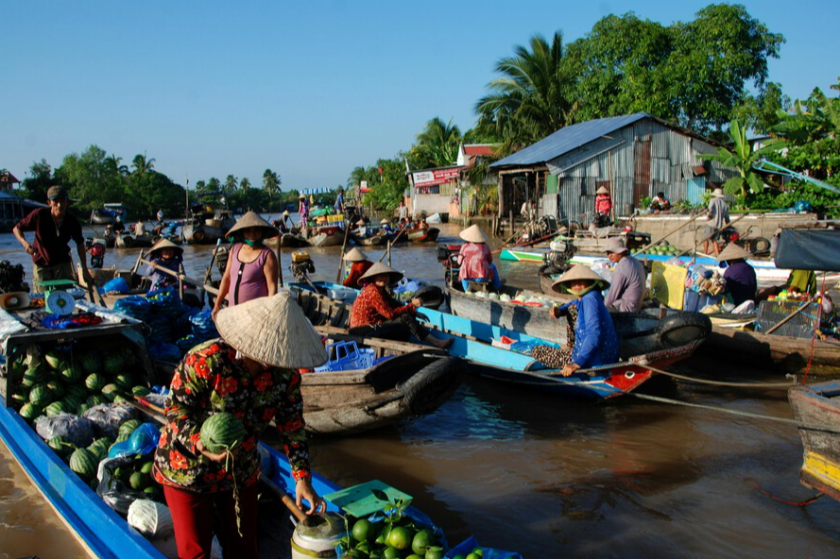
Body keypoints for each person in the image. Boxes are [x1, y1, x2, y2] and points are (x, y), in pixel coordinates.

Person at [153, 293, 327, 559]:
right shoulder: (207, 360)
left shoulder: (286, 376)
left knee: (244, 550)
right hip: (187, 469)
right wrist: (199, 442)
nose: (277, 358)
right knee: (195, 552)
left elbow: (292, 427)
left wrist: (302, 478)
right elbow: (175, 410)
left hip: (240, 470)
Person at [531, 264, 619, 376]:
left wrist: (577, 363)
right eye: (573, 282)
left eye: (581, 282)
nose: (577, 285)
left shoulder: (589, 300)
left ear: (589, 283)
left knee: (537, 350)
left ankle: (572, 359)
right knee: (571, 309)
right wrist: (559, 310)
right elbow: (572, 304)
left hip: (595, 359)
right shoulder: (590, 296)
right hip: (603, 354)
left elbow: (594, 333)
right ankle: (571, 346)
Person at [349, 262, 451, 348]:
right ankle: (437, 343)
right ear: (373, 278)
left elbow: (395, 305)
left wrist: (413, 312)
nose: (383, 278)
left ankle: (424, 341)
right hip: (362, 331)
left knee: (406, 317)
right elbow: (390, 314)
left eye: (385, 275)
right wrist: (412, 306)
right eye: (380, 276)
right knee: (405, 318)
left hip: (370, 327)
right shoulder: (373, 291)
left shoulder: (381, 290)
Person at [13, 185, 92, 292]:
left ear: (67, 202)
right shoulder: (39, 215)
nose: (59, 205)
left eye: (63, 201)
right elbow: (17, 229)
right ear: (49, 203)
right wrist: (25, 244)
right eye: (55, 202)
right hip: (41, 262)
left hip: (62, 263)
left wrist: (85, 269)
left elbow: (80, 244)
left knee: (64, 297)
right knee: (42, 298)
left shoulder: (72, 221)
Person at [212, 212, 279, 321]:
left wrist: (269, 315)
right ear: (242, 232)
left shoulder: (267, 255)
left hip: (257, 316)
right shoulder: (234, 250)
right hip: (233, 313)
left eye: (256, 230)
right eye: (248, 230)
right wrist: (217, 305)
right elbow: (227, 278)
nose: (252, 234)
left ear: (262, 232)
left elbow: (272, 288)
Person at [603, 238, 646, 312]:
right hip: (636, 305)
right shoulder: (634, 261)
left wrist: (601, 308)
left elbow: (611, 297)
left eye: (612, 253)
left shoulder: (622, 267)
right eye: (608, 253)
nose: (609, 256)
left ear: (621, 252)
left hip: (627, 309)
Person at [457, 224, 501, 292]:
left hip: (467, 278)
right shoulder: (485, 246)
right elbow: (490, 261)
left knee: (462, 268)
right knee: (493, 267)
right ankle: (497, 287)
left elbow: (459, 262)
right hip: (483, 277)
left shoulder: (464, 246)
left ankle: (466, 290)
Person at [717, 243, 756, 307]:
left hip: (738, 304)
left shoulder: (731, 270)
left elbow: (723, 287)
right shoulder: (750, 267)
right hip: (751, 302)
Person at [704, 188, 730, 256]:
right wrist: (728, 224)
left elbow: (709, 209)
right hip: (718, 225)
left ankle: (705, 253)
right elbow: (727, 217)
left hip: (711, 223)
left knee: (705, 239)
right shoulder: (725, 204)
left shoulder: (713, 200)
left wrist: (708, 216)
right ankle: (717, 254)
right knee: (714, 240)